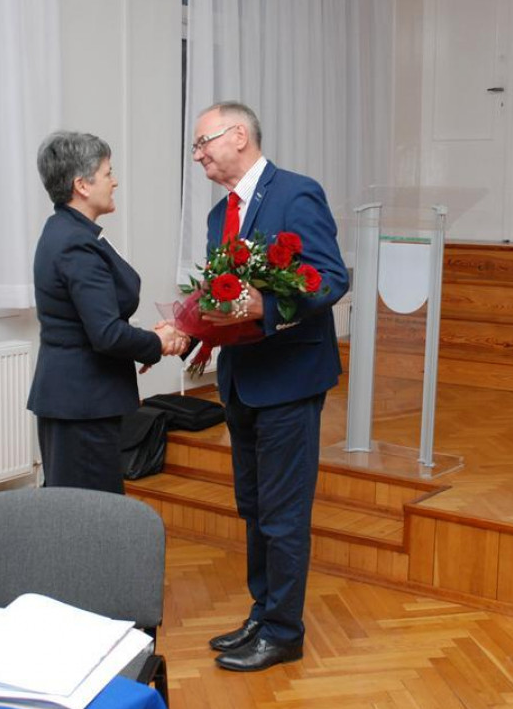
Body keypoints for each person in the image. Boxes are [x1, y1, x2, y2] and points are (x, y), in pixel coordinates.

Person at [192, 102, 349, 671]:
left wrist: (270, 306)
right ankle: (263, 613)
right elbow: (224, 294)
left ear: (238, 135)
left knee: (283, 514)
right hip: (241, 380)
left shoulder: (296, 193)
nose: (199, 155)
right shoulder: (218, 217)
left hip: (288, 379)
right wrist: (199, 330)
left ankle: (285, 631)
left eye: (203, 142)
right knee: (254, 507)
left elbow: (331, 278)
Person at [27, 130, 186, 494]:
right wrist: (156, 342)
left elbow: (95, 321)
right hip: (81, 403)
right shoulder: (75, 243)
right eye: (108, 172)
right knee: (88, 518)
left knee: (80, 512)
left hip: (77, 398)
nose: (114, 181)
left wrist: (147, 341)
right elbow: (107, 334)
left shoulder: (69, 231)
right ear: (82, 184)